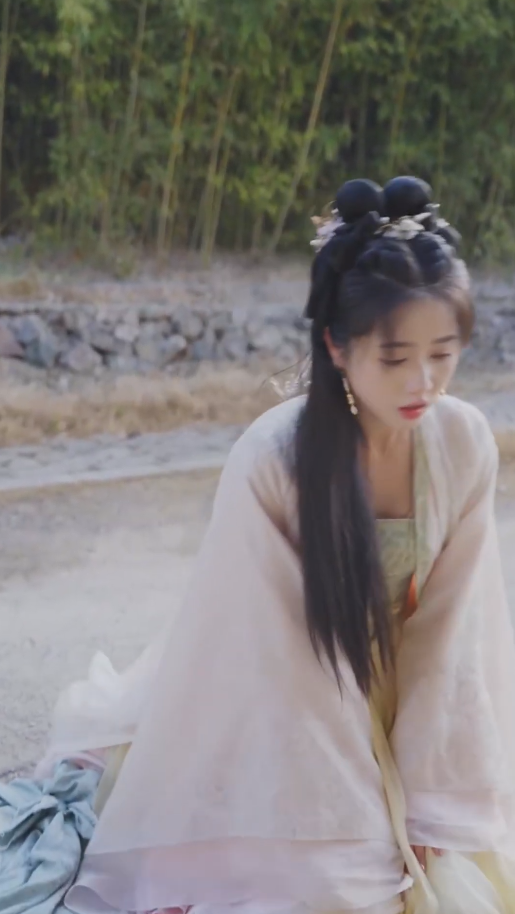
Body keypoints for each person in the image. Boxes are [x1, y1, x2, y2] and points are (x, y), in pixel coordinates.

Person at [3, 176, 515, 914]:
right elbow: (280, 666)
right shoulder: (272, 459)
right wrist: (364, 829)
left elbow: (447, 642)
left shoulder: (462, 442)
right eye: (394, 357)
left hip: (399, 693)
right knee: (336, 886)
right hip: (268, 691)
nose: (423, 382)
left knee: (458, 863)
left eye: (443, 353)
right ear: (337, 346)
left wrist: (430, 805)